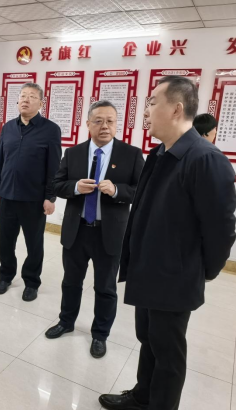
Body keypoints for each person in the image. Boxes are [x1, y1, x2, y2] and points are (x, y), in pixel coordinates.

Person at [99, 76, 236, 410]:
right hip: (148, 269)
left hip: (174, 276)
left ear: (176, 109)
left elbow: (221, 230)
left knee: (168, 352)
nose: (145, 110)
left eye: (152, 102)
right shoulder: (161, 153)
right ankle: (142, 396)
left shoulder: (205, 159)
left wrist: (201, 271)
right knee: (148, 339)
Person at [46, 100, 144, 358]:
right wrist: (76, 187)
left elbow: (142, 192)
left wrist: (117, 190)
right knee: (71, 282)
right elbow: (57, 185)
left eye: (110, 121)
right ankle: (66, 321)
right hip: (77, 230)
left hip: (109, 233)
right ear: (88, 124)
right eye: (98, 121)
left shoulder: (131, 154)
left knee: (105, 287)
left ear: (117, 124)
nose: (105, 126)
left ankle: (100, 334)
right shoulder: (74, 153)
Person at [0, 82, 62, 302]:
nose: (26, 99)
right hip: (8, 196)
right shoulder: (8, 128)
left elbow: (54, 168)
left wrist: (50, 197)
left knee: (34, 244)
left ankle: (31, 282)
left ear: (41, 103)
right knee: (5, 242)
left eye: (32, 96)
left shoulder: (50, 130)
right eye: (23, 95)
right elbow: (0, 161)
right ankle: (5, 276)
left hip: (34, 199)